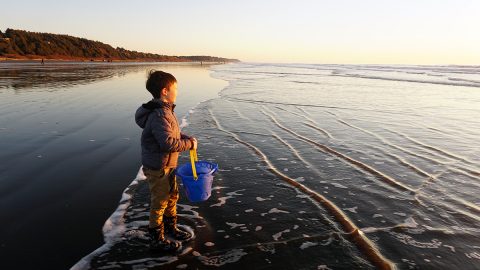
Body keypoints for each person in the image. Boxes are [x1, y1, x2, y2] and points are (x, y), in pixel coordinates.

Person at [135, 70, 197, 252]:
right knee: (160, 201)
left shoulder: (166, 111)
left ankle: (171, 228)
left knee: (172, 196)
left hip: (168, 165)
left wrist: (186, 137)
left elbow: (173, 134)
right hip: (158, 167)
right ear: (164, 91)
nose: (177, 91)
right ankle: (156, 236)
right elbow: (167, 142)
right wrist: (189, 144)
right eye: (174, 88)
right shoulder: (160, 115)